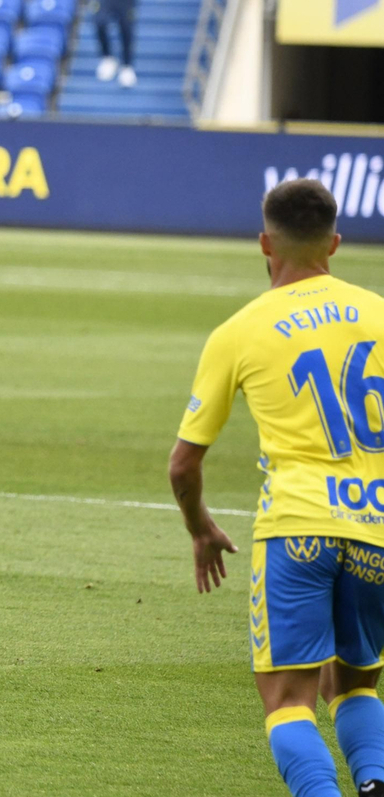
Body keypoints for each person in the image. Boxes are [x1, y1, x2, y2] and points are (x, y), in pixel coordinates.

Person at [170, 178, 384, 797]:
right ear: (336, 244)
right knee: (357, 683)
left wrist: (200, 528)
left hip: (298, 531)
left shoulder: (240, 330)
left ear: (264, 242)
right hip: (374, 532)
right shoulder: (377, 311)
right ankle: (372, 780)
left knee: (289, 701)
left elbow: (184, 465)